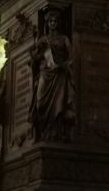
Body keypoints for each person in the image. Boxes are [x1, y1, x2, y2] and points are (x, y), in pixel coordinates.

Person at [29, 10, 75, 141]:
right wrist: (35, 54)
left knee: (59, 104)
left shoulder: (64, 39)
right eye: (50, 21)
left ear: (58, 23)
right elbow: (36, 58)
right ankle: (43, 128)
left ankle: (56, 131)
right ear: (47, 23)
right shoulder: (43, 40)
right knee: (40, 102)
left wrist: (64, 65)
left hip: (59, 74)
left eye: (55, 21)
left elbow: (71, 58)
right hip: (45, 72)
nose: (53, 23)